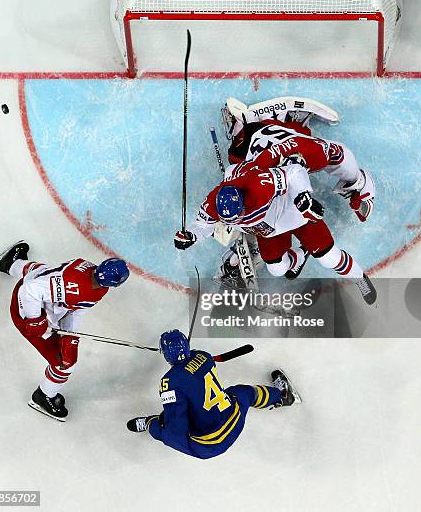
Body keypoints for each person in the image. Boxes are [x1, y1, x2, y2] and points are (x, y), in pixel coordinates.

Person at [174, 160, 377, 304]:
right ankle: (302, 254)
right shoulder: (213, 203)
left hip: (296, 215)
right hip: (269, 231)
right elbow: (202, 224)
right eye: (230, 220)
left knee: (329, 258)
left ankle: (360, 278)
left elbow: (295, 172)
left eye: (240, 214)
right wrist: (191, 235)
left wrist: (302, 197)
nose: (237, 221)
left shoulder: (259, 185)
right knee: (278, 269)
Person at [0, 241, 130, 421]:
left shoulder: (88, 269)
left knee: (41, 271)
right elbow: (30, 291)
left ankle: (10, 264)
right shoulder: (76, 288)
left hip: (33, 281)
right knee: (64, 363)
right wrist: (35, 319)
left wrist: (70, 334)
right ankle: (43, 396)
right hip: (24, 312)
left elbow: (76, 308)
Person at [126, 330, 297, 459]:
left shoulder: (169, 382)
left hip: (209, 443)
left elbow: (176, 426)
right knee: (245, 393)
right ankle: (282, 396)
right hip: (234, 419)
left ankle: (149, 423)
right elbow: (194, 369)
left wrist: (161, 422)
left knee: (169, 433)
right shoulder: (203, 356)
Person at [223, 95, 375, 223]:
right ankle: (288, 119)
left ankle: (250, 123)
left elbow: (339, 154)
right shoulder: (313, 154)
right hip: (251, 143)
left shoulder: (312, 154)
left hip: (251, 144)